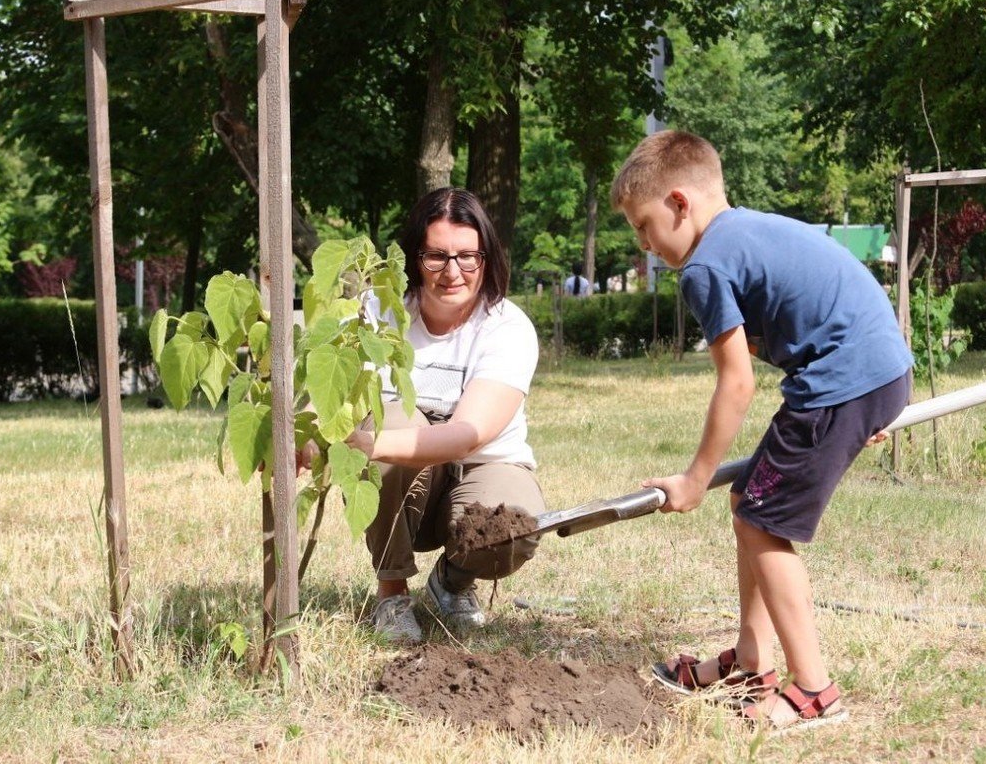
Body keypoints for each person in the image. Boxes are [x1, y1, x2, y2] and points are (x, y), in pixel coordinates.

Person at [610, 131, 912, 731]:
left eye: (643, 226)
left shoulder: (705, 265)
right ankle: (752, 662)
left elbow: (737, 384)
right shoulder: (748, 230)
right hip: (875, 372)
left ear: (678, 202)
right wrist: (866, 407)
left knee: (760, 521)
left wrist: (694, 478)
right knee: (750, 499)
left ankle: (815, 690)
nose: (644, 245)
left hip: (841, 384)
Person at [344, 186, 545, 644]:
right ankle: (391, 594)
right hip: (406, 483)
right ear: (415, 259)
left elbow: (469, 434)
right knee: (393, 419)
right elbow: (328, 395)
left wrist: (366, 444)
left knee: (512, 524)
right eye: (436, 256)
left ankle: (452, 580)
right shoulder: (377, 315)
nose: (452, 272)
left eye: (467, 257)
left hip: (481, 464)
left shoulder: (507, 327)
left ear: (486, 259)